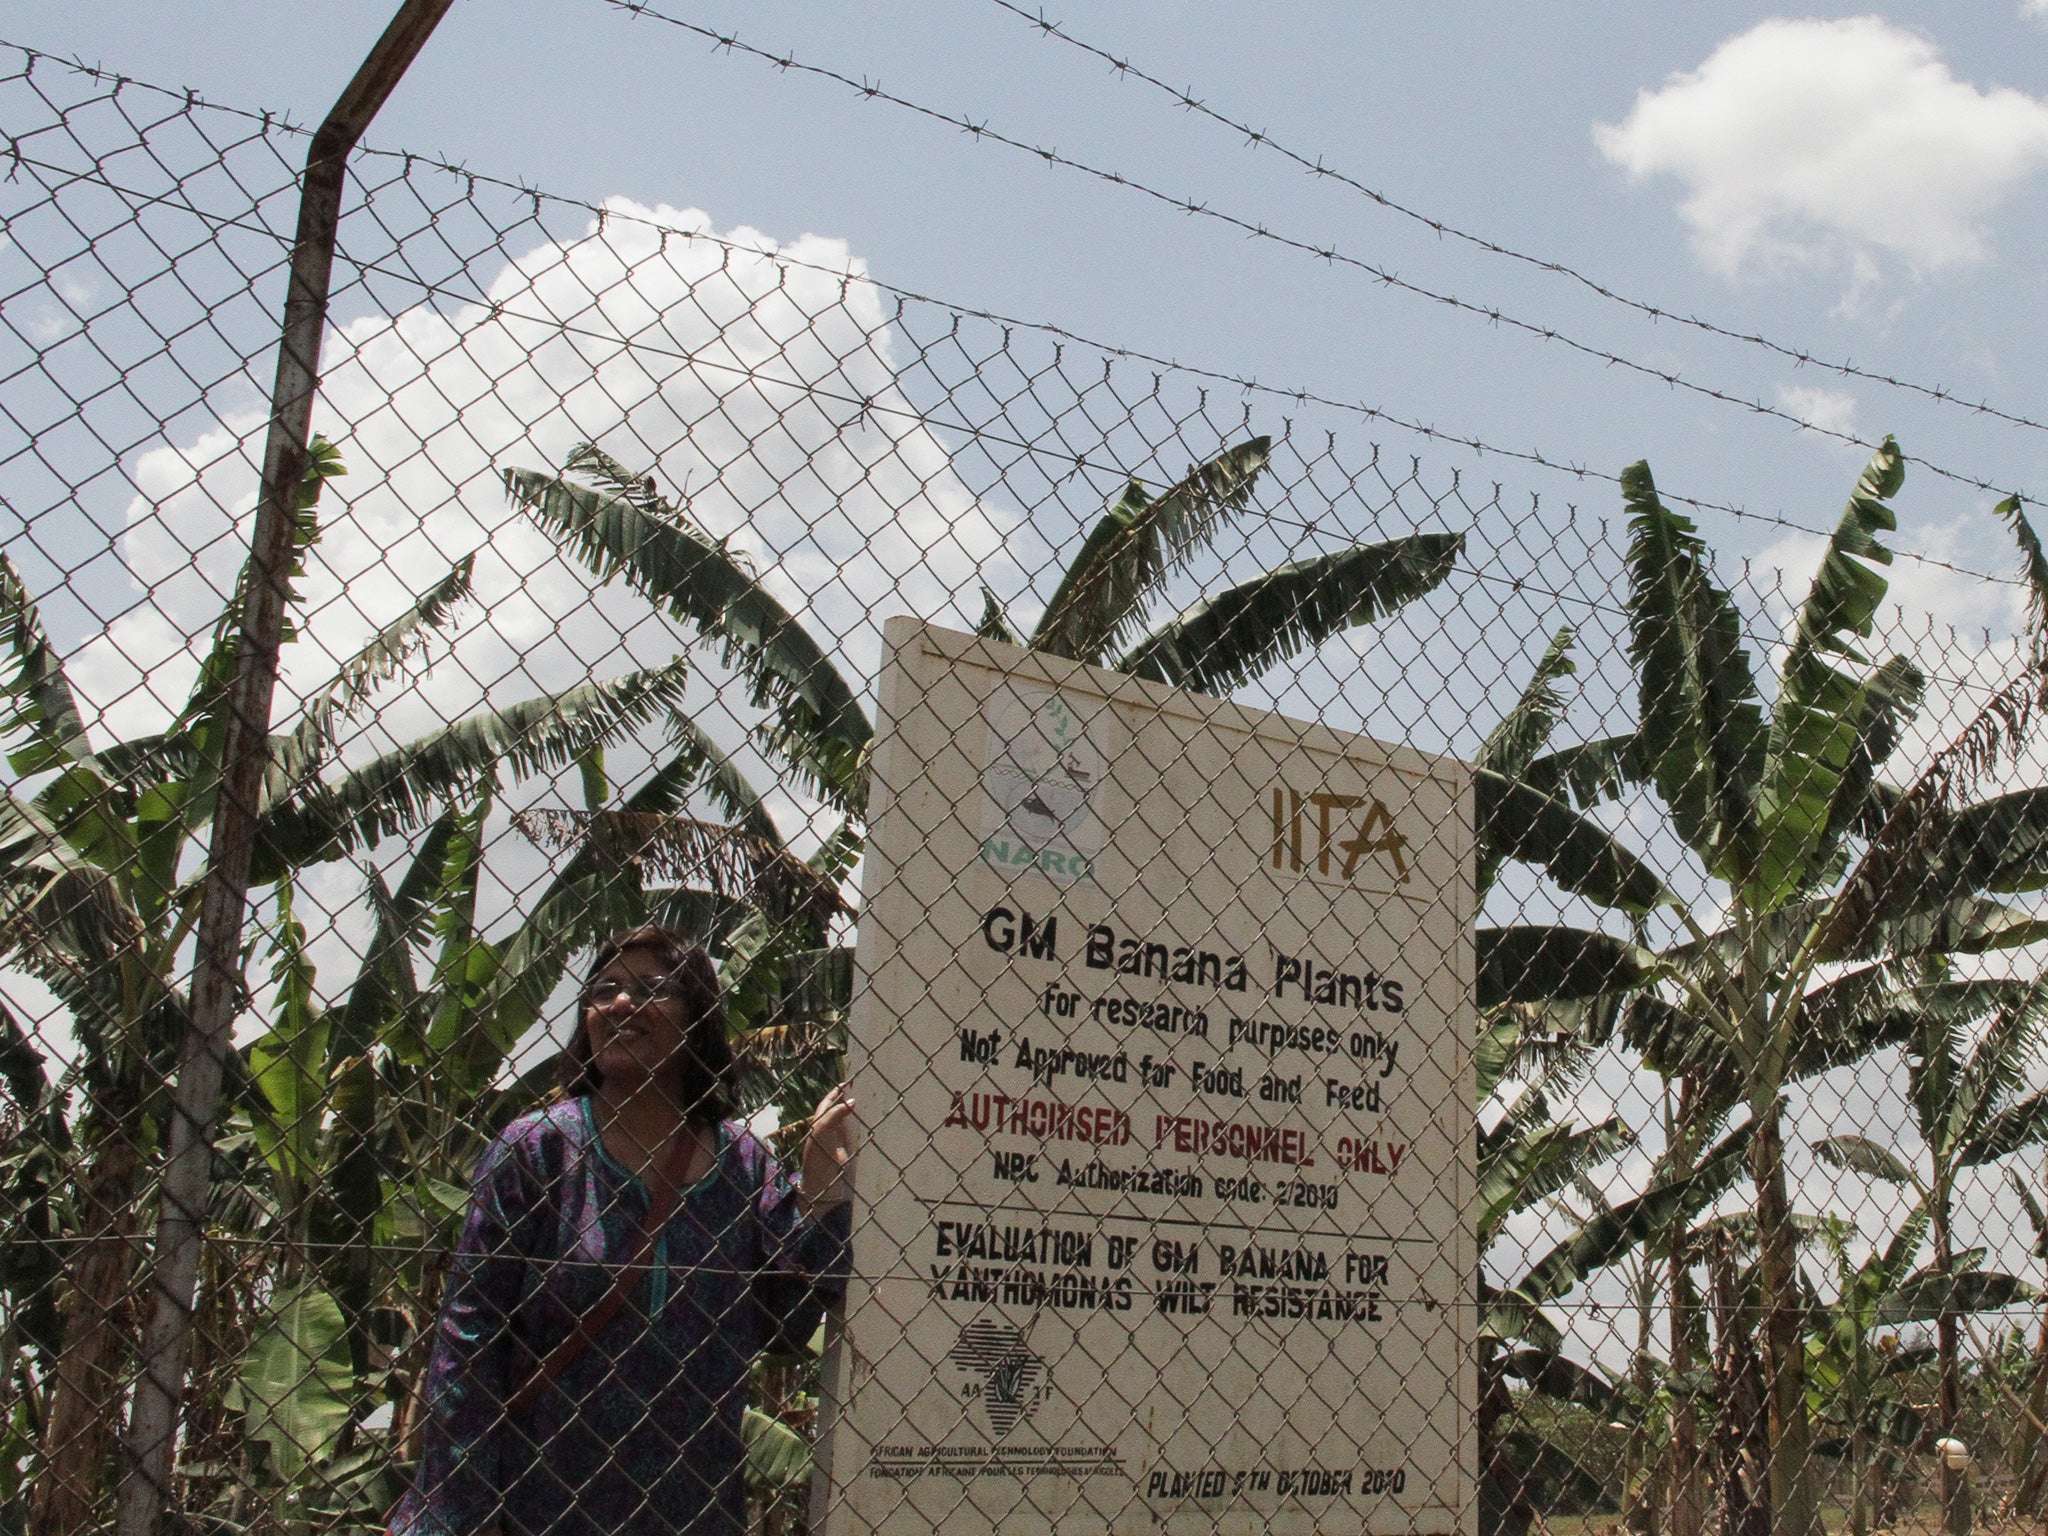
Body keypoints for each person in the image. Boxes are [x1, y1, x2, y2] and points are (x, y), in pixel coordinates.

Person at [389, 925, 857, 1536]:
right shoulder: (536, 1153)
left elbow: (785, 1324)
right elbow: (467, 1345)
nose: (619, 1003)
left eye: (651, 989)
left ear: (698, 1020)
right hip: (540, 1506)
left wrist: (821, 1183)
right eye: (604, 989)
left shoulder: (742, 1166)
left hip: (691, 1506)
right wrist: (456, 1516)